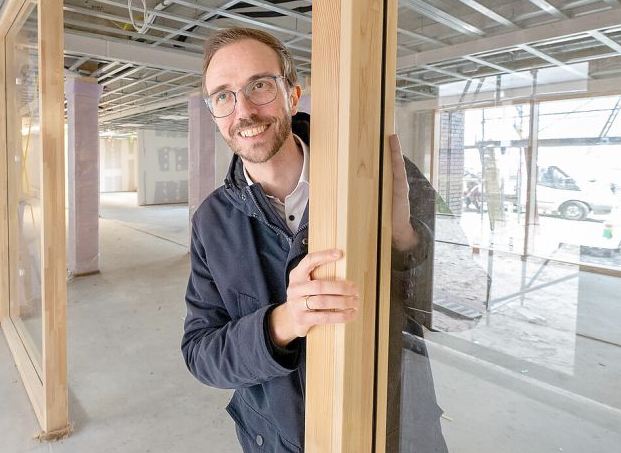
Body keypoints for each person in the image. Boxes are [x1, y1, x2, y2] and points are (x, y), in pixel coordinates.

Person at [181, 27, 447, 453]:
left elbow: (462, 305)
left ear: (293, 94)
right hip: (277, 440)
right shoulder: (212, 221)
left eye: (260, 85)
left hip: (390, 427)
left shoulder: (379, 172)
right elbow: (200, 353)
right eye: (223, 96)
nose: (244, 110)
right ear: (214, 112)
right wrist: (284, 322)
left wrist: (403, 237)